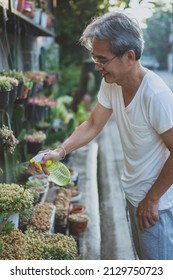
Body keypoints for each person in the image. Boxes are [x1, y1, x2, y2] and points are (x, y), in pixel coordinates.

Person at [31, 12, 173, 260]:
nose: (97, 66)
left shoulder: (156, 95)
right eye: (95, 58)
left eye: (102, 59)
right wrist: (59, 151)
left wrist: (151, 199)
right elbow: (93, 123)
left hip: (157, 205)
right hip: (134, 195)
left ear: (129, 56)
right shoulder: (112, 83)